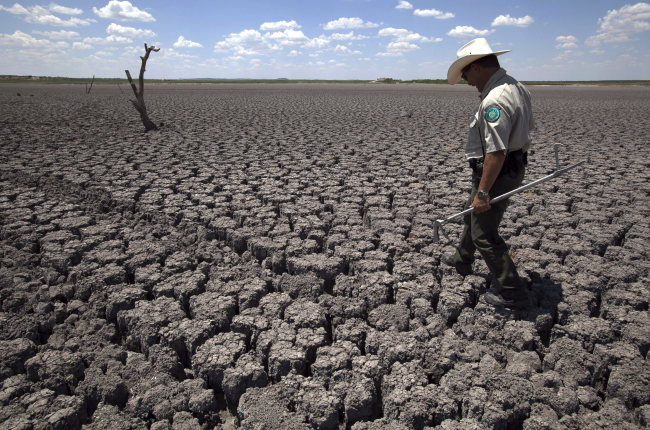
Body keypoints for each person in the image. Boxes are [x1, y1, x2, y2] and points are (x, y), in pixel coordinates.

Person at [443, 38, 534, 308]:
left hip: (497, 172)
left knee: (484, 232)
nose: (467, 82)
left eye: (466, 74)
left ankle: (512, 292)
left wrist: (483, 191)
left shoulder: (495, 100)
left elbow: (496, 151)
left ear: (477, 68)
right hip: (506, 168)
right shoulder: (515, 86)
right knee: (473, 215)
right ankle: (462, 259)